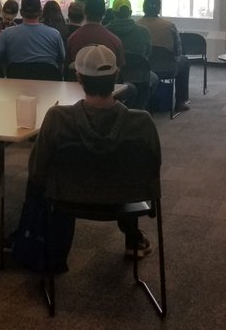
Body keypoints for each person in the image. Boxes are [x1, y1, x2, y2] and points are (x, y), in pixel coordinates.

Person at [22, 45, 161, 270]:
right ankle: (133, 238)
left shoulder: (57, 118)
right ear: (116, 75)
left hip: (67, 197)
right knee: (120, 172)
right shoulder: (142, 123)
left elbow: (37, 171)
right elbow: (152, 171)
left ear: (79, 78)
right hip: (126, 197)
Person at [0, 0, 65, 71]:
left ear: (21, 12)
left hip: (16, 83)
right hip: (48, 83)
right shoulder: (55, 34)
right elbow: (63, 59)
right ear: (40, 12)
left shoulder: (7, 34)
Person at [137, 0, 191, 112]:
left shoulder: (136, 25)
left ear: (143, 7)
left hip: (143, 68)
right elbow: (178, 51)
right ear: (159, 8)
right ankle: (180, 102)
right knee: (185, 61)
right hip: (167, 69)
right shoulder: (169, 26)